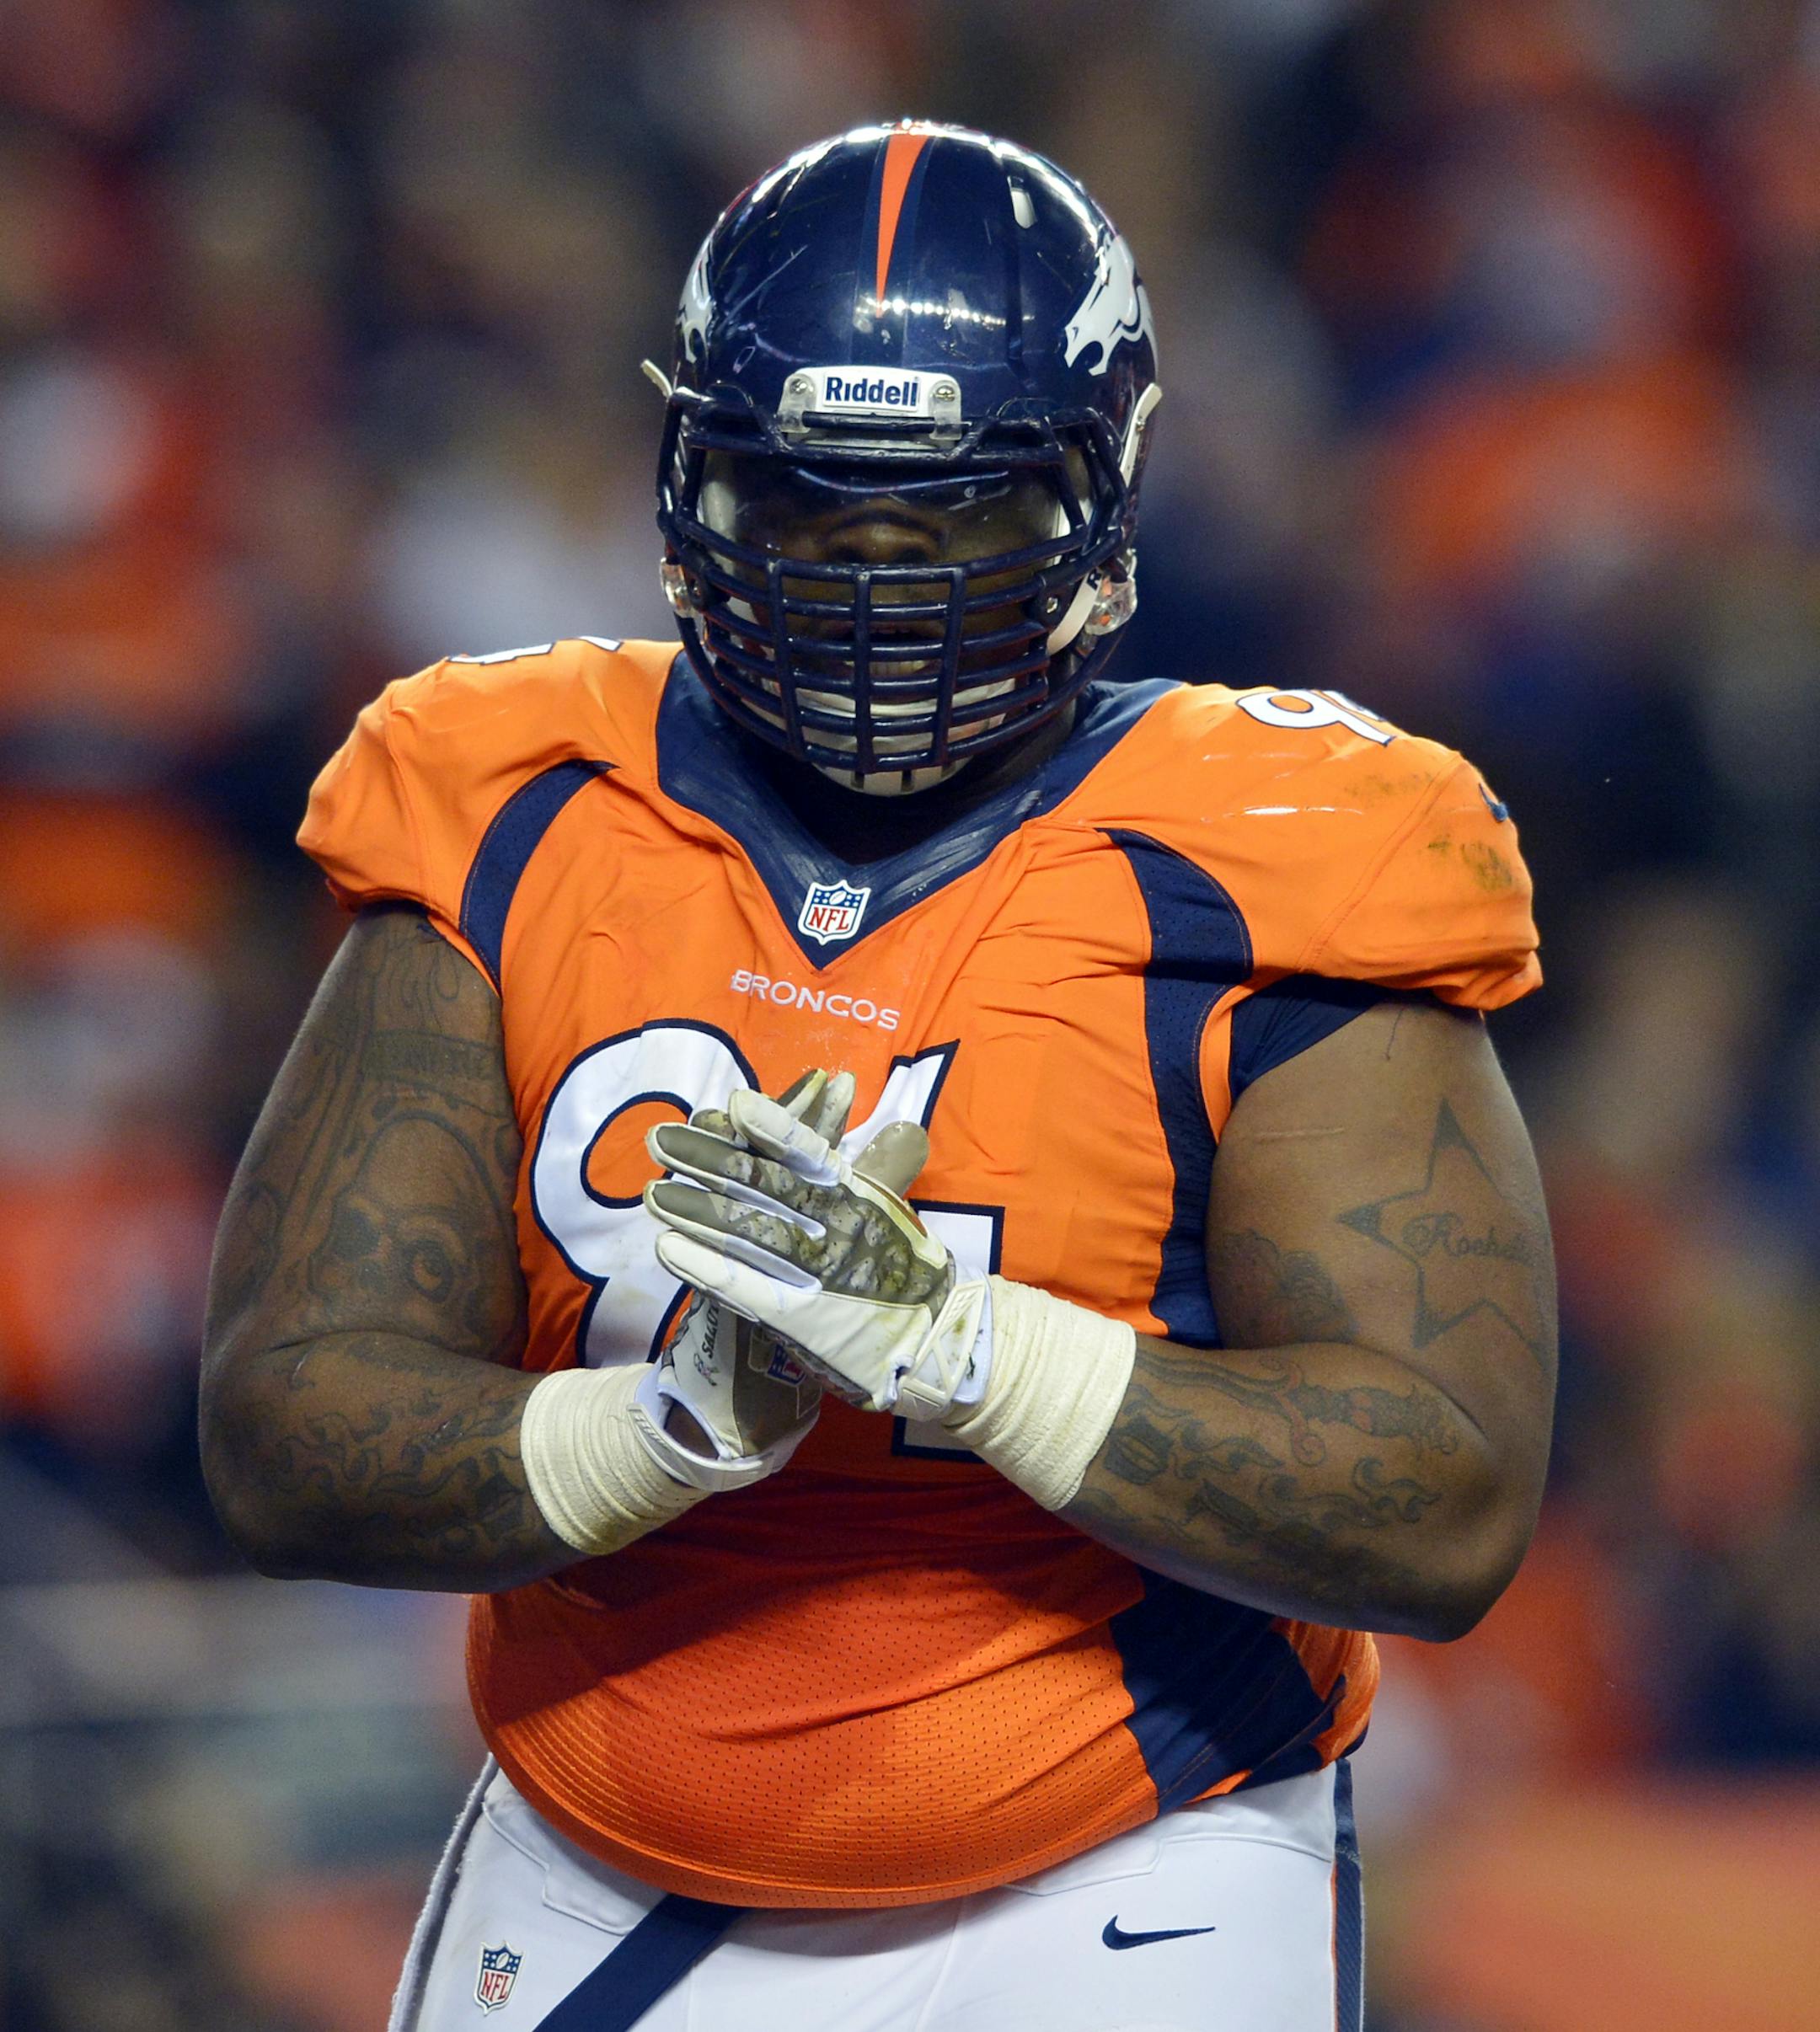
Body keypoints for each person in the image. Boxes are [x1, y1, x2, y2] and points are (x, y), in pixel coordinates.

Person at [200, 121, 1555, 2032]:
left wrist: (957, 1344)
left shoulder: (1283, 846)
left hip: (1133, 1842)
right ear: (691, 484)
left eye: (958, 517)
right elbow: (285, 1429)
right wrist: (661, 1430)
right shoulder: (512, 802)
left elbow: (1443, 1504)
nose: (873, 587)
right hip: (599, 1839)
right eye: (803, 506)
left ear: (1099, 495)